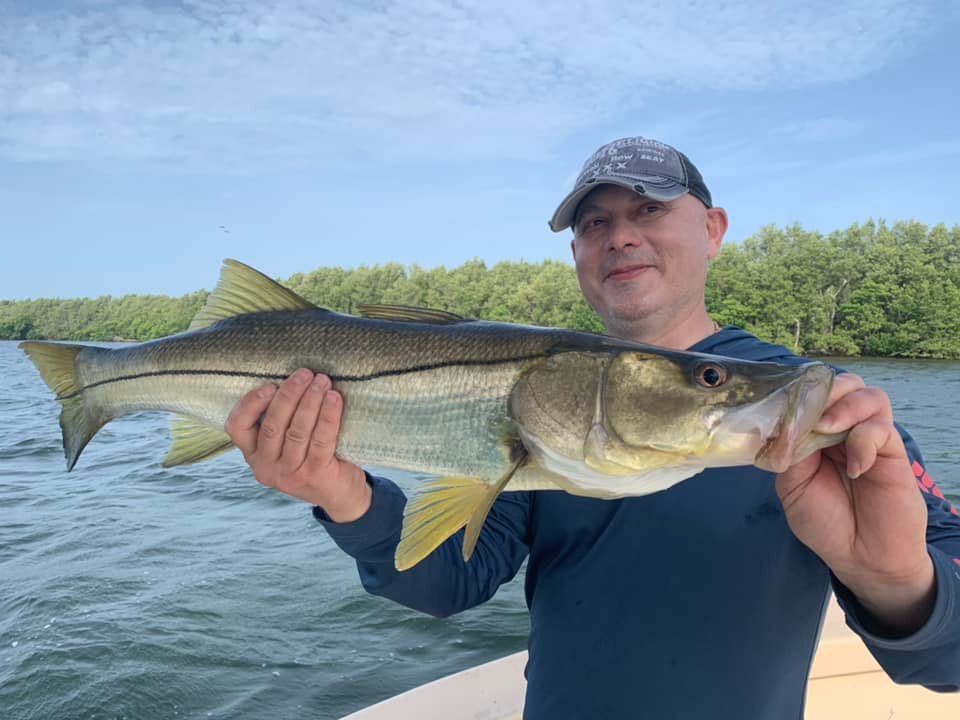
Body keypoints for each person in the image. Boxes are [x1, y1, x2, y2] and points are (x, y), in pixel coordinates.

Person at [224, 136, 960, 718]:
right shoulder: (550, 404)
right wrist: (345, 496)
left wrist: (893, 580)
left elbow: (949, 658)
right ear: (576, 253)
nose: (619, 237)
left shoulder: (812, 406)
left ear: (713, 229)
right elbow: (450, 584)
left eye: (648, 210)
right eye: (593, 222)